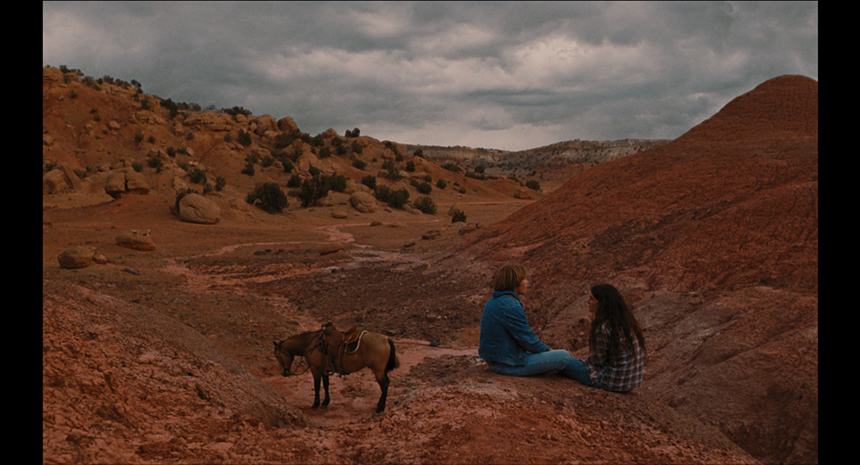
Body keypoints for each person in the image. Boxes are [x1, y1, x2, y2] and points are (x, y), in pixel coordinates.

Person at [478, 264, 582, 379]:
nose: (527, 282)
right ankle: (590, 376)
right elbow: (527, 339)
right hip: (507, 364)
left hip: (499, 361)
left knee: (559, 357)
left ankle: (585, 371)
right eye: (524, 279)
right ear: (515, 282)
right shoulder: (510, 305)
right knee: (564, 356)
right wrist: (549, 351)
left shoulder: (494, 301)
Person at [566, 283, 646, 392]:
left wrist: (577, 361)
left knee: (563, 361)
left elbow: (597, 361)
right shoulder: (626, 323)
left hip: (610, 381)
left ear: (602, 303)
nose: (587, 302)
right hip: (628, 383)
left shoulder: (604, 328)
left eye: (592, 299)